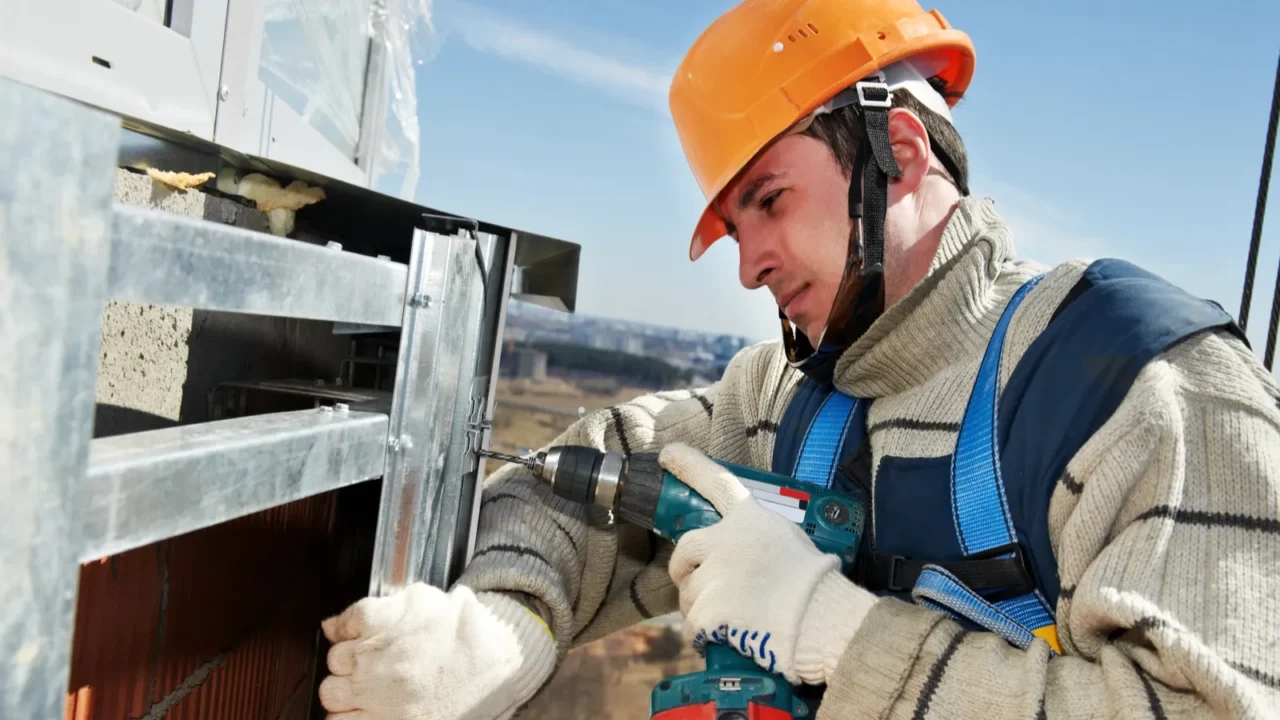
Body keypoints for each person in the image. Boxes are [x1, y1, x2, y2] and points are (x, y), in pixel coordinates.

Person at [316, 1, 1280, 718]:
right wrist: (503, 629)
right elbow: (575, 476)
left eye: (769, 201)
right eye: (734, 227)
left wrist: (839, 635)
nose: (748, 265)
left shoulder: (1141, 387)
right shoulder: (791, 406)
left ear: (897, 154)